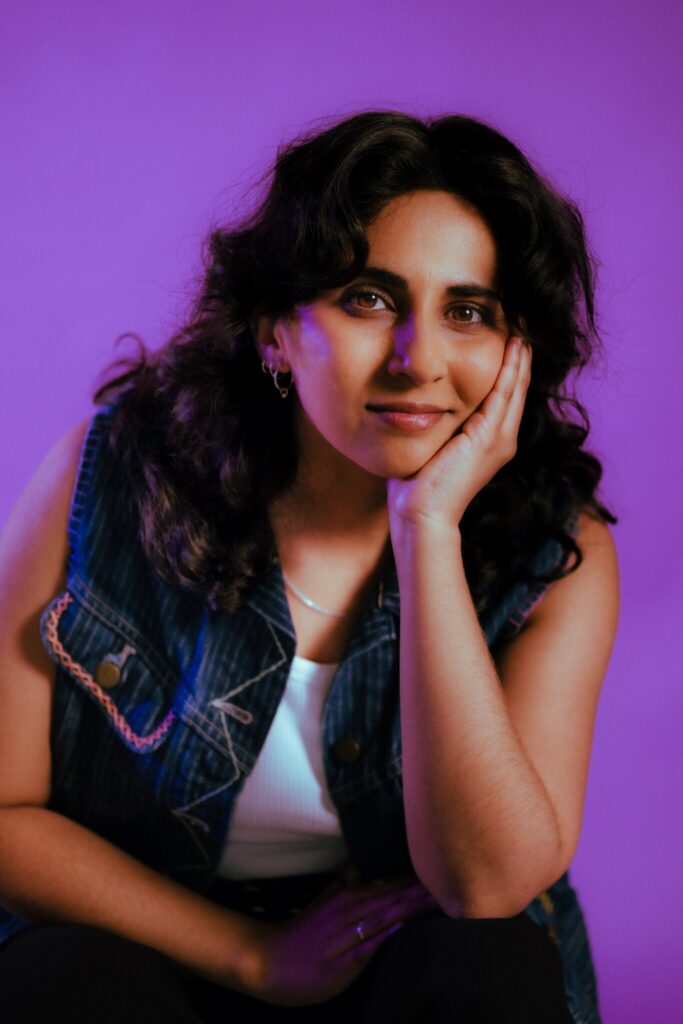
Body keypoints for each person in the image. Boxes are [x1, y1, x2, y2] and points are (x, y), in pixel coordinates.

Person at [0, 110, 619, 1023]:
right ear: (274, 332)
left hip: (392, 977)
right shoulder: (107, 479)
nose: (420, 359)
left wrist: (429, 531)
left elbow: (486, 888)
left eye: (468, 311)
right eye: (368, 298)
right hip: (157, 956)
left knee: (488, 966)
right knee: (64, 985)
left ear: (513, 350)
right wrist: (253, 957)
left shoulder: (555, 553)